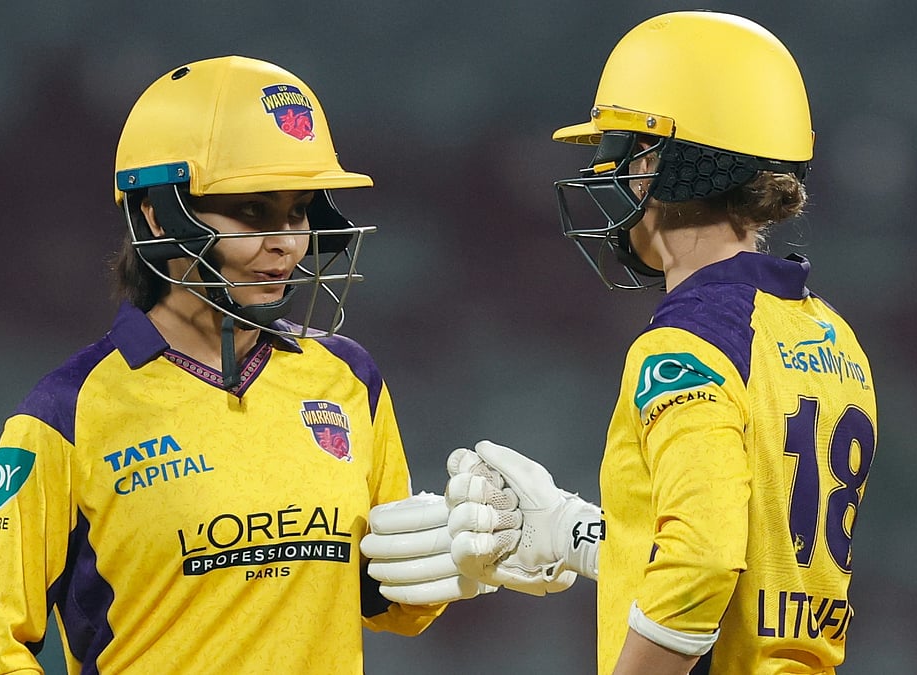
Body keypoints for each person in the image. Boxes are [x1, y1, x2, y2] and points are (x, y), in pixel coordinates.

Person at [365, 10, 878, 675]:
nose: (613, 172)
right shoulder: (829, 332)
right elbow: (760, 547)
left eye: (626, 151)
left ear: (661, 166)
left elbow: (702, 564)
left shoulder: (686, 345)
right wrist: (574, 532)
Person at [0, 55, 485, 675]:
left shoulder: (349, 379)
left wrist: (464, 559)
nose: (286, 242)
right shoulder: (65, 412)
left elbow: (396, 607)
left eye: (297, 210)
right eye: (252, 212)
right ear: (156, 212)